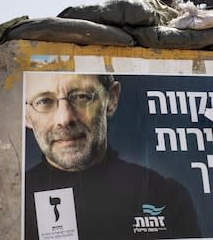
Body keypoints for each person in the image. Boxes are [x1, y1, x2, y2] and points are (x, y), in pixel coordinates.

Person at [24, 72, 201, 240]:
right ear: (25, 115)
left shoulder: (166, 196)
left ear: (111, 99)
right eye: (44, 101)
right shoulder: (12, 204)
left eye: (81, 96)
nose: (65, 118)